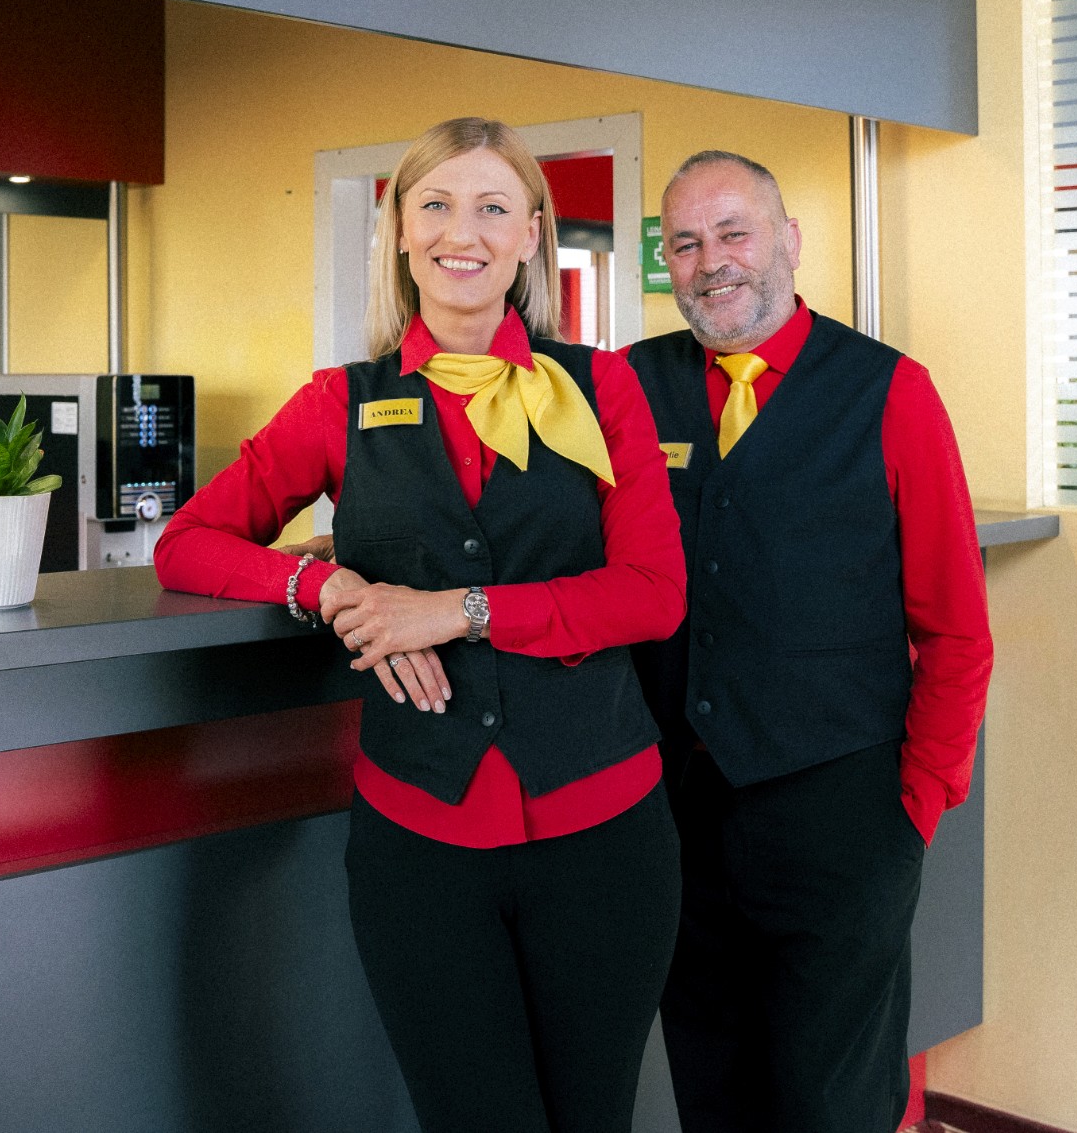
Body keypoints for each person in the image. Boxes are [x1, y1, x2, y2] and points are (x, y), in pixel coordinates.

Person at [156, 116, 687, 1133]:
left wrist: (454, 609)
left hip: (606, 833)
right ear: (399, 232)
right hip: (420, 844)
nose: (463, 230)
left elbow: (650, 591)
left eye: (493, 206)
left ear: (531, 233)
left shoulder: (601, 387)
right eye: (435, 203)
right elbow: (189, 539)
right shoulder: (338, 403)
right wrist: (326, 591)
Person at [626, 150, 992, 1133]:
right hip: (679, 815)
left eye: (732, 232)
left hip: (842, 811)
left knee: (833, 1102)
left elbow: (956, 628)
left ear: (787, 241)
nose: (711, 261)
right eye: (685, 243)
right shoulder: (626, 387)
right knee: (711, 1083)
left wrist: (914, 806)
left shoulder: (889, 392)